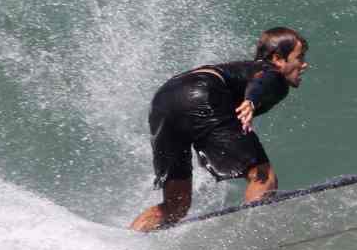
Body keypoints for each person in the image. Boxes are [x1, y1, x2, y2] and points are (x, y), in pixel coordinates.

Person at [129, 27, 310, 232]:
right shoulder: (273, 73)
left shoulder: (246, 70)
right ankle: (254, 235)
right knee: (263, 177)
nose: (304, 64)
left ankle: (125, 246)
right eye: (299, 57)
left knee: (175, 205)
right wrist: (251, 100)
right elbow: (263, 81)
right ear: (278, 58)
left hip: (164, 98)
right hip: (202, 91)